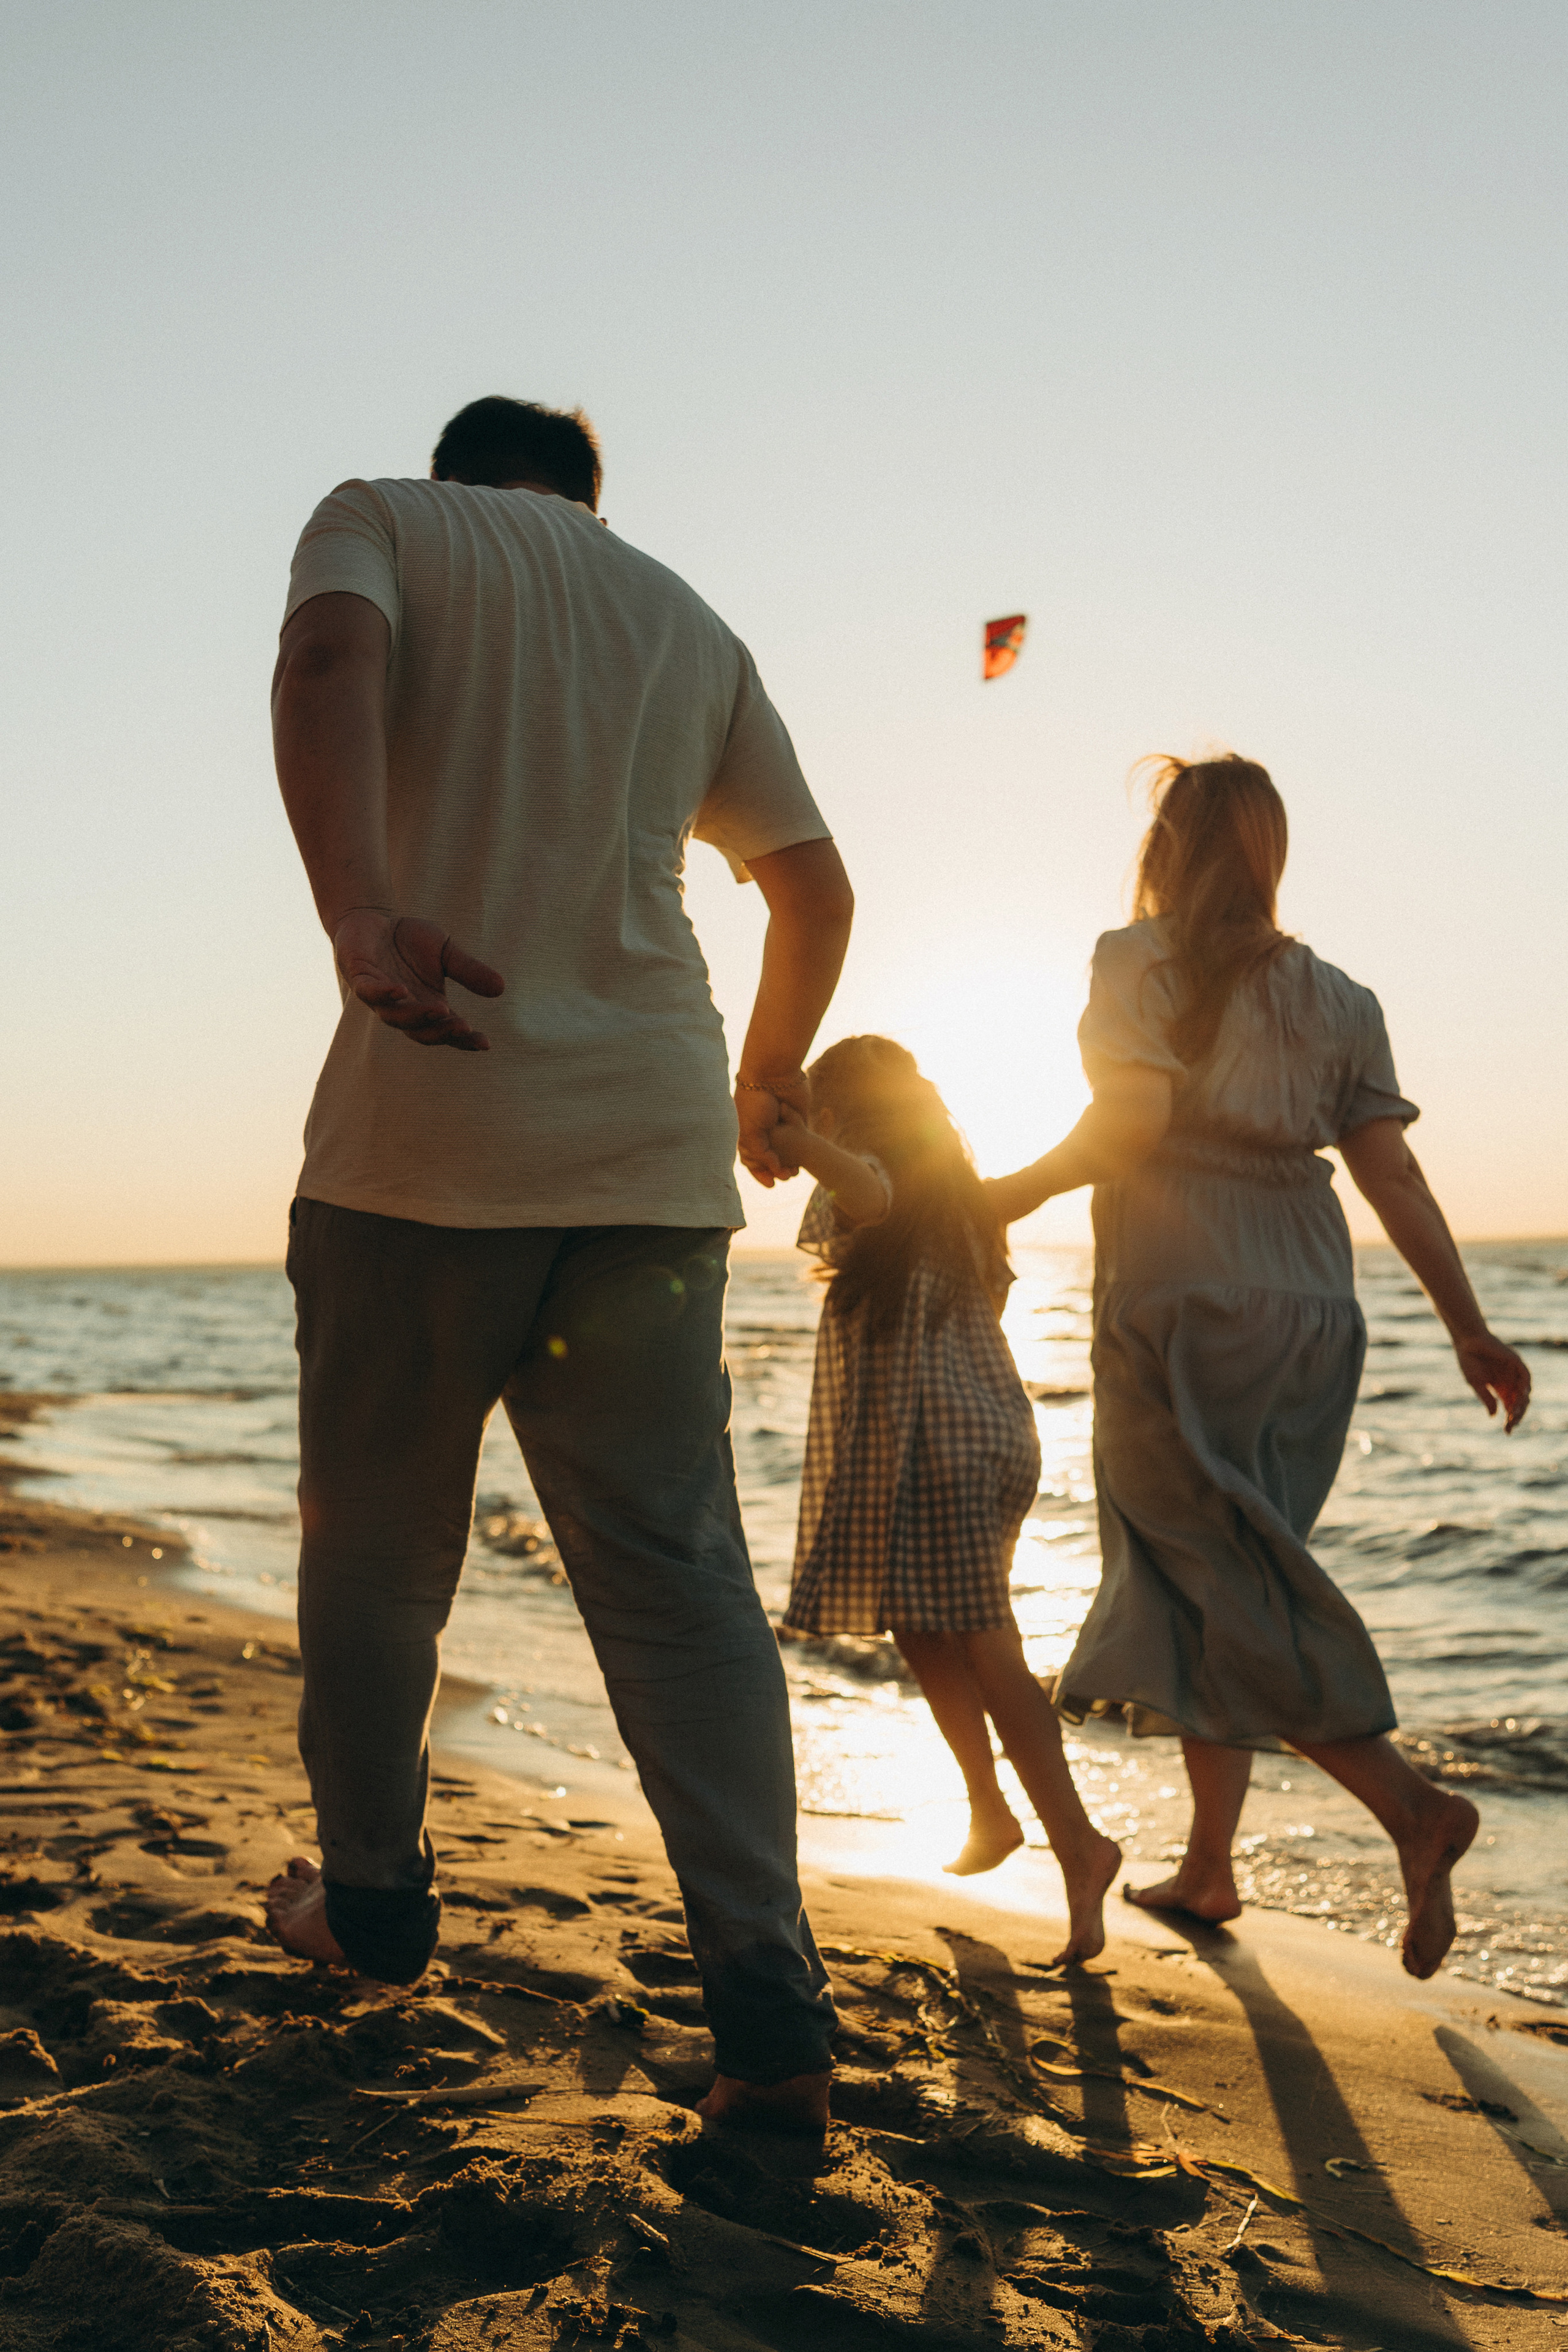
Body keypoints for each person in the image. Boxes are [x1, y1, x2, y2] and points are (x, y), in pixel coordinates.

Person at [267, 394, 854, 2132]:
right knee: (682, 1590)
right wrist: (764, 1075)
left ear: (458, 474)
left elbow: (324, 659)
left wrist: (357, 907)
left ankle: (373, 1912)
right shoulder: (683, 616)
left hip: (422, 1145)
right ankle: (770, 2021)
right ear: (590, 504)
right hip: (650, 1159)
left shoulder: (382, 517)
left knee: (378, 1557)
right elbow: (814, 890)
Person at [992, 754, 1531, 1980]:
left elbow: (1129, 1124)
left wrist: (997, 1195)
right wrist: (1466, 1324)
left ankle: (1411, 1809)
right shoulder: (1342, 998)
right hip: (1312, 1307)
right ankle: (1208, 1867)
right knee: (1227, 1572)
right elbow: (1391, 1173)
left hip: (1183, 1290)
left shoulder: (1137, 959)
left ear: (1166, 850)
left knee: (1218, 1575)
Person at [769, 1036, 1121, 1963]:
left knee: (986, 1642)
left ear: (842, 1115)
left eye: (815, 1109)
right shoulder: (960, 1205)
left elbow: (868, 1191)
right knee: (919, 1621)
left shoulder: (885, 1185)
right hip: (961, 1439)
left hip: (949, 1443)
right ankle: (989, 1809)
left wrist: (788, 1136)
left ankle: (1080, 1846)